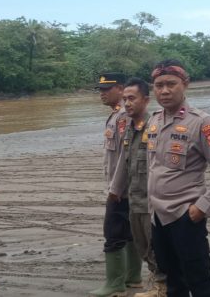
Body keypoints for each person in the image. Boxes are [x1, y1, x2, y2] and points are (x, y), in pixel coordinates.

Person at [147, 59, 210, 296]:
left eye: (171, 84)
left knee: (199, 279)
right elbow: (153, 167)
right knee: (173, 280)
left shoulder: (201, 123)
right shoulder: (154, 121)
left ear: (185, 85)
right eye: (158, 85)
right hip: (158, 218)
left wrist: (203, 207)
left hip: (185, 215)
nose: (164, 91)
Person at [109, 78, 166, 297]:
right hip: (133, 199)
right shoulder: (129, 129)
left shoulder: (155, 127)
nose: (127, 104)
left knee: (155, 245)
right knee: (141, 244)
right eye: (124, 99)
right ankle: (157, 281)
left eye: (132, 98)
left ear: (146, 100)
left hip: (152, 202)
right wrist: (115, 189)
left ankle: (162, 285)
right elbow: (124, 161)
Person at [90, 72, 142, 297]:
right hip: (126, 187)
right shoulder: (118, 115)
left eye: (106, 89)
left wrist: (115, 188)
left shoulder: (123, 117)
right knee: (130, 232)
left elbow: (125, 156)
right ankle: (133, 277)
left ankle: (115, 284)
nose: (102, 93)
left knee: (113, 233)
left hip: (121, 188)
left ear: (121, 89)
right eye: (100, 90)